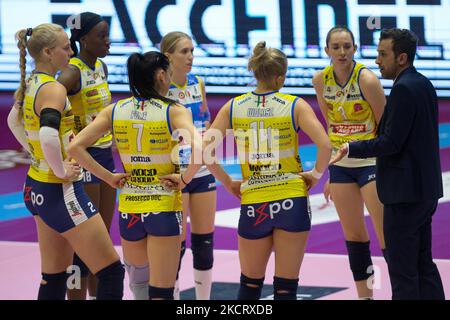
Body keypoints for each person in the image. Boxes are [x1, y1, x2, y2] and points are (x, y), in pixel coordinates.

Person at [201, 41, 332, 300]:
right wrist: (315, 177)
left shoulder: (234, 106)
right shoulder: (294, 104)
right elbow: (325, 145)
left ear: (255, 71)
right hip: (291, 198)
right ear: (280, 77)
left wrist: (228, 182)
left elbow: (204, 151)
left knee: (249, 286)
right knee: (286, 289)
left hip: (255, 200)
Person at [68, 51, 203, 300]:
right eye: (169, 73)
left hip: (130, 209)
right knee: (162, 293)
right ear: (161, 76)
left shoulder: (115, 110)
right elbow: (201, 147)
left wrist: (108, 177)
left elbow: (74, 147)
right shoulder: (173, 111)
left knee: (139, 290)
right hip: (163, 207)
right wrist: (185, 179)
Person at [7, 23, 124, 300]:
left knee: (54, 277)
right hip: (59, 191)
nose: (71, 52)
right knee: (111, 272)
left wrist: (38, 157)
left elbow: (14, 122)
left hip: (36, 188)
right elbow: (48, 135)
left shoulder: (31, 82)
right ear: (48, 52)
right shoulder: (54, 89)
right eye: (65, 47)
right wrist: (60, 170)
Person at [331, 28, 445, 300]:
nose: (378, 60)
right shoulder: (423, 83)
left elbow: (391, 143)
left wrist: (351, 147)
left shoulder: (404, 89)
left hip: (404, 195)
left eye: (383, 54)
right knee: (422, 265)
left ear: (402, 57)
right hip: (424, 190)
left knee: (403, 271)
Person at [311, 26, 387, 299]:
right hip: (341, 166)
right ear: (327, 50)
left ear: (355, 49)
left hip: (370, 162)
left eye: (347, 46)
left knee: (386, 237)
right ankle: (366, 296)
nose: (342, 52)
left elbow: (386, 124)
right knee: (355, 239)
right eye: (336, 47)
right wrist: (331, 171)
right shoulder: (320, 79)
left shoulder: (366, 79)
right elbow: (330, 122)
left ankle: (401, 291)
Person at [57, 11, 115, 300]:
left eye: (108, 34)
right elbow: (49, 100)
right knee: (85, 244)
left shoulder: (101, 67)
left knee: (102, 241)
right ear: (83, 39)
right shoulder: (72, 71)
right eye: (101, 35)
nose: (107, 40)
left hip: (106, 155)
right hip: (85, 158)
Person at [160, 31, 216, 300]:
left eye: (192, 51)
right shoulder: (159, 90)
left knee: (204, 242)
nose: (190, 57)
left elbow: (205, 120)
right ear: (167, 56)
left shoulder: (198, 82)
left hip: (202, 169)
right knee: (176, 243)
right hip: (175, 173)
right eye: (184, 52)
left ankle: (202, 302)